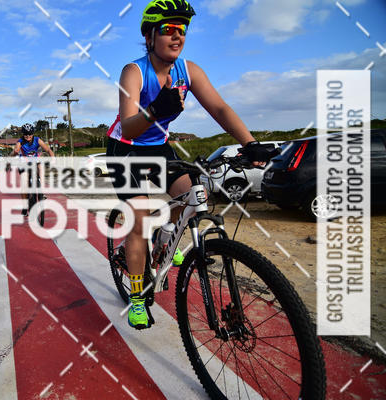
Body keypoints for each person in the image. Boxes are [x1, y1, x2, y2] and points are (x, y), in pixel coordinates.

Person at [107, 0, 276, 330]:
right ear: (149, 36)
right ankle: (138, 297)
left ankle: (166, 237)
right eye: (168, 29)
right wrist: (154, 111)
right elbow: (128, 126)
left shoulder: (189, 71)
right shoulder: (134, 71)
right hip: (125, 148)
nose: (177, 35)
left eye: (182, 29)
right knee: (140, 218)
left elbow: (220, 109)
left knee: (194, 195)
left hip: (158, 147)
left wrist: (250, 143)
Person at [11, 123, 54, 216]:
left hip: (35, 161)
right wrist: (15, 152)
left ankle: (42, 191)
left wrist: (53, 158)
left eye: (30, 134)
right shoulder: (20, 141)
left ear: (33, 134)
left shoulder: (37, 140)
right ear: (23, 134)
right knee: (24, 184)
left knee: (41, 169)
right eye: (26, 134)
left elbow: (48, 150)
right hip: (24, 163)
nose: (28, 136)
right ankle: (25, 207)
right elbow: (15, 150)